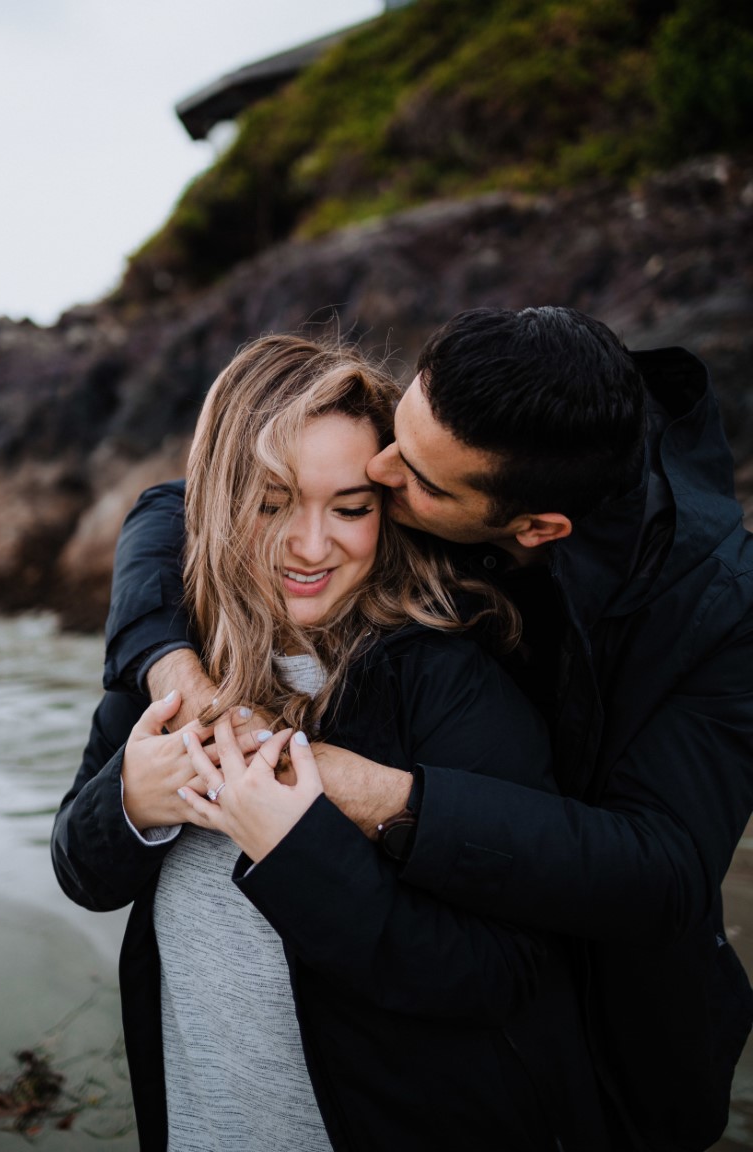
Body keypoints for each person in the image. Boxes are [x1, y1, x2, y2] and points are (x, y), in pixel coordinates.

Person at [102, 307, 753, 1152]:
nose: (380, 468)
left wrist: (364, 790)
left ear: (533, 531)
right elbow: (179, 504)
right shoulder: (502, 402)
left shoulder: (717, 614)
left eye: (411, 480)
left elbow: (662, 874)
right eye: (399, 431)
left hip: (603, 1015)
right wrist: (166, 661)